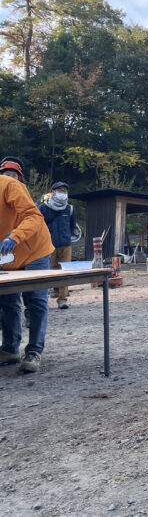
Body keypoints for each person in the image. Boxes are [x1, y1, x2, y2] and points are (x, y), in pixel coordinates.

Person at [0, 159, 55, 372]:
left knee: (35, 298)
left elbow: (33, 216)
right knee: (7, 299)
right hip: (7, 255)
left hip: (34, 249)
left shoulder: (10, 185)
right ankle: (10, 349)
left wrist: (15, 236)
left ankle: (34, 351)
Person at [39, 181, 77, 309]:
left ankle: (62, 300)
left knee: (65, 273)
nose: (63, 193)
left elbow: (72, 226)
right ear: (53, 192)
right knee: (46, 273)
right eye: (60, 190)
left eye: (65, 191)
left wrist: (67, 236)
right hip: (47, 245)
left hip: (66, 245)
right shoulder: (43, 208)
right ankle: (42, 300)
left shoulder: (70, 209)